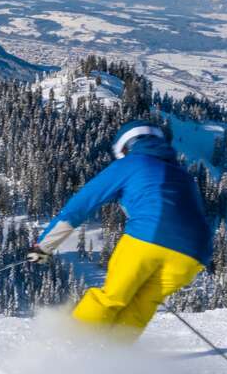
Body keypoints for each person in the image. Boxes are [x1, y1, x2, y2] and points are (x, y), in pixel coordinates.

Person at [28, 119, 211, 338]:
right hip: (195, 254)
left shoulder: (131, 164)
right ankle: (114, 362)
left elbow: (79, 207)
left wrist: (43, 247)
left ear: (125, 147)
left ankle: (69, 349)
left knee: (112, 297)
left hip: (148, 238)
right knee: (141, 307)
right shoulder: (183, 175)